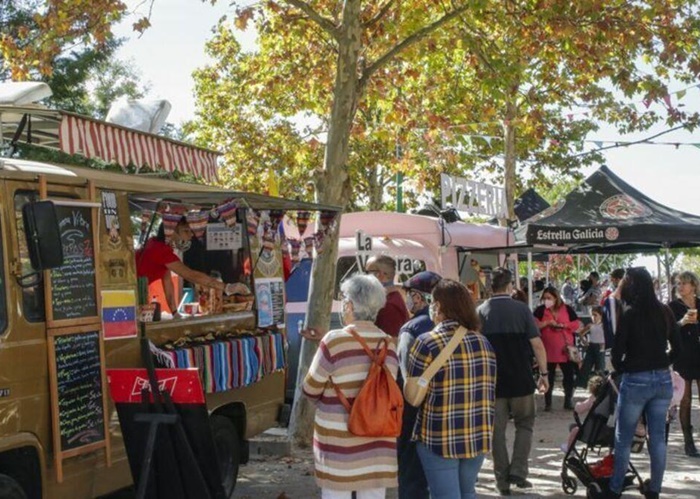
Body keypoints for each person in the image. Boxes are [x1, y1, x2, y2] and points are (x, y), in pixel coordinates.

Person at [302, 274, 399, 499]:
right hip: (377, 438)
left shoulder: (334, 340)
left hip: (338, 442)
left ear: (350, 305)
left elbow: (310, 388)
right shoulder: (388, 344)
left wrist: (329, 401)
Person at [407, 279, 497, 499]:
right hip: (478, 434)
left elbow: (412, 391)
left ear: (438, 306)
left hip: (439, 436)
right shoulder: (483, 342)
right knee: (468, 493)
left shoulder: (426, 342)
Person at [608, 267, 680, 499]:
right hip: (662, 379)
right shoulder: (665, 311)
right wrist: (663, 362)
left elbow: (617, 352)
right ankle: (655, 489)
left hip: (636, 379)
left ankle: (615, 487)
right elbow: (677, 347)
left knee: (624, 437)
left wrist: (623, 368)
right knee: (657, 437)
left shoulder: (630, 313)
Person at [478, 267, 549, 496]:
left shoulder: (480, 311)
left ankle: (502, 481)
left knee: (496, 432)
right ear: (510, 286)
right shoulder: (522, 310)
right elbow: (537, 344)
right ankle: (518, 470)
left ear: (491, 286)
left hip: (492, 384)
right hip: (521, 379)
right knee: (525, 424)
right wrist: (544, 374)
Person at [136, 217, 249, 315]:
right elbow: (190, 275)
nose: (190, 235)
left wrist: (175, 313)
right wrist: (226, 287)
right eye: (186, 231)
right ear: (171, 232)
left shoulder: (159, 246)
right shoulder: (159, 249)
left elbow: (168, 283)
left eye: (190, 231)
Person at [396, 271, 442, 499]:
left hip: (414, 411)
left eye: (408, 294)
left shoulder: (411, 329)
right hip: (446, 409)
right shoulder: (458, 326)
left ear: (417, 297)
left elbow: (406, 376)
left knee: (411, 473)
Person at [667, 270, 700, 457]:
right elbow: (669, 331)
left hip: (699, 354)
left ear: (693, 285)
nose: (680, 287)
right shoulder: (673, 306)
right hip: (682, 356)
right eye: (678, 284)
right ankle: (689, 442)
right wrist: (681, 322)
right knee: (685, 400)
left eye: (683, 283)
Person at [533, 285, 581, 411]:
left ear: (556, 298)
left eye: (549, 298)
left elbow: (576, 324)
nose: (546, 300)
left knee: (569, 375)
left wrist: (564, 325)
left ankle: (568, 400)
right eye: (545, 298)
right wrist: (547, 323)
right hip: (547, 350)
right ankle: (548, 402)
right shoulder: (540, 310)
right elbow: (533, 325)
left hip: (565, 350)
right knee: (548, 375)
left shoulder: (567, 309)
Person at [365, 255, 409, 337]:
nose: (365, 277)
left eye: (368, 272)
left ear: (381, 275)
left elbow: (391, 343)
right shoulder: (389, 300)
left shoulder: (388, 306)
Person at [561, 375, 605, 452]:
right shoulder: (607, 401)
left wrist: (577, 404)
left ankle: (569, 448)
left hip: (592, 431)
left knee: (575, 429)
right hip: (605, 431)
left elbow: (579, 409)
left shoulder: (593, 399)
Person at [577, 305, 606, 387]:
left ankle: (600, 385)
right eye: (592, 315)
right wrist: (584, 341)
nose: (593, 317)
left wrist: (604, 345)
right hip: (592, 346)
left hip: (600, 347)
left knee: (600, 367)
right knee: (586, 366)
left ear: (601, 315)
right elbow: (580, 333)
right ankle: (581, 384)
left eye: (595, 315)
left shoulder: (604, 325)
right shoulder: (590, 325)